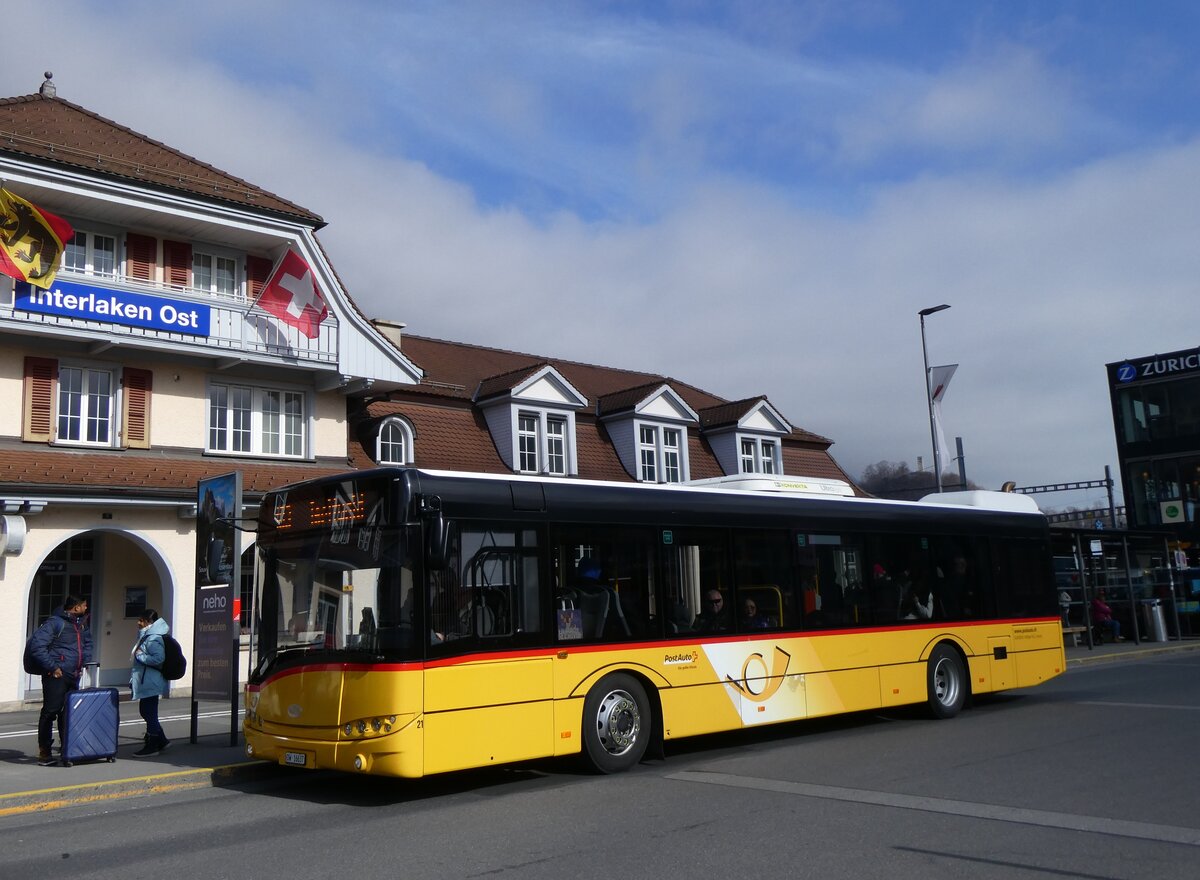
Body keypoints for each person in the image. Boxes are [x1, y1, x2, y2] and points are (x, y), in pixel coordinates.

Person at [28, 595, 93, 766]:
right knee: (50, 712)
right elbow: (37, 646)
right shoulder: (56, 623)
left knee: (69, 714)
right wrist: (53, 667)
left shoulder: (81, 624)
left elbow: (87, 644)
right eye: (84, 605)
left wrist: (84, 662)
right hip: (56, 675)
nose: (86, 608)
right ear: (76, 607)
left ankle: (67, 750)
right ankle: (45, 752)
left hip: (73, 674)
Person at [130, 609, 171, 756]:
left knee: (149, 712)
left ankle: (153, 744)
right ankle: (162, 740)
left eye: (141, 620)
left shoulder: (153, 638)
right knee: (147, 711)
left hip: (151, 681)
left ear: (149, 622)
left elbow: (158, 658)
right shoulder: (146, 636)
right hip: (146, 680)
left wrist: (141, 656)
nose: (138, 623)